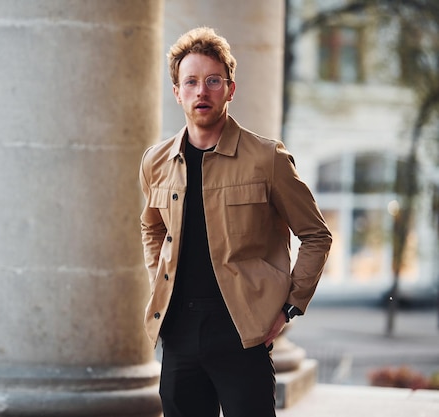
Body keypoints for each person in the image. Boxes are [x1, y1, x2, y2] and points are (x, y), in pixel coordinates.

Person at [138, 27, 332, 417]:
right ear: (177, 92)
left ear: (230, 89)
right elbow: (152, 227)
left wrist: (290, 307)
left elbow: (316, 235)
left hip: (242, 331)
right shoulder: (155, 162)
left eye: (213, 81)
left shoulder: (267, 158)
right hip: (177, 330)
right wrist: (160, 279)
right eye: (190, 82)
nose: (201, 91)